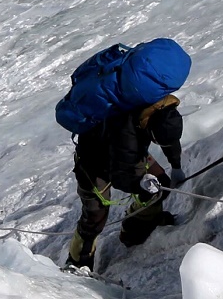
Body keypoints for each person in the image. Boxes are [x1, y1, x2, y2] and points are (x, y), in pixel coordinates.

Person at [61, 43, 188, 272]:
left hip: (124, 153)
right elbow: (122, 176)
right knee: (95, 217)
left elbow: (169, 140)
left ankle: (136, 230)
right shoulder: (127, 132)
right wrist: (141, 184)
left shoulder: (160, 106)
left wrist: (176, 165)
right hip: (93, 163)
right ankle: (78, 262)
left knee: (160, 185)